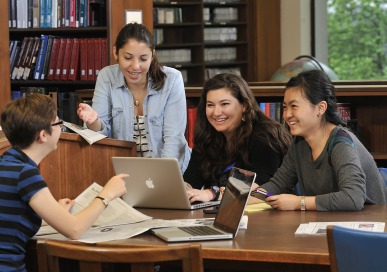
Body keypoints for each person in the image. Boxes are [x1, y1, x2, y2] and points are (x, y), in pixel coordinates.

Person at [0, 94, 128, 272]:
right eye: (58, 123)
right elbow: (74, 229)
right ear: (43, 135)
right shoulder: (25, 173)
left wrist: (57, 212)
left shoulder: (8, 163)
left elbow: (13, 219)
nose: (62, 127)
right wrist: (107, 194)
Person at [257, 69, 387, 211]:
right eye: (285, 107)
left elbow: (353, 198)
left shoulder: (341, 143)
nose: (287, 115)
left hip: (369, 226)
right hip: (331, 222)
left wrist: (298, 202)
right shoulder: (299, 143)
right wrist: (245, 196)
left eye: (294, 106)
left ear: (320, 108)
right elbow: (277, 185)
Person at [77, 23, 190, 172]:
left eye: (143, 59)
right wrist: (94, 121)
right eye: (128, 58)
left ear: (152, 55)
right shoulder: (107, 77)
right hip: (124, 172)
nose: (135, 66)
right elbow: (100, 137)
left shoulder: (172, 80)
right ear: (115, 53)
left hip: (169, 169)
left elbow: (173, 139)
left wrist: (163, 178)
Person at [183, 73, 292, 203]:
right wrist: (184, 190)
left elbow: (261, 189)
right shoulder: (207, 137)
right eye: (210, 105)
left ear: (244, 106)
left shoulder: (266, 137)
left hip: (265, 214)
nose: (216, 112)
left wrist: (212, 193)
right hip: (221, 214)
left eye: (224, 104)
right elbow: (191, 180)